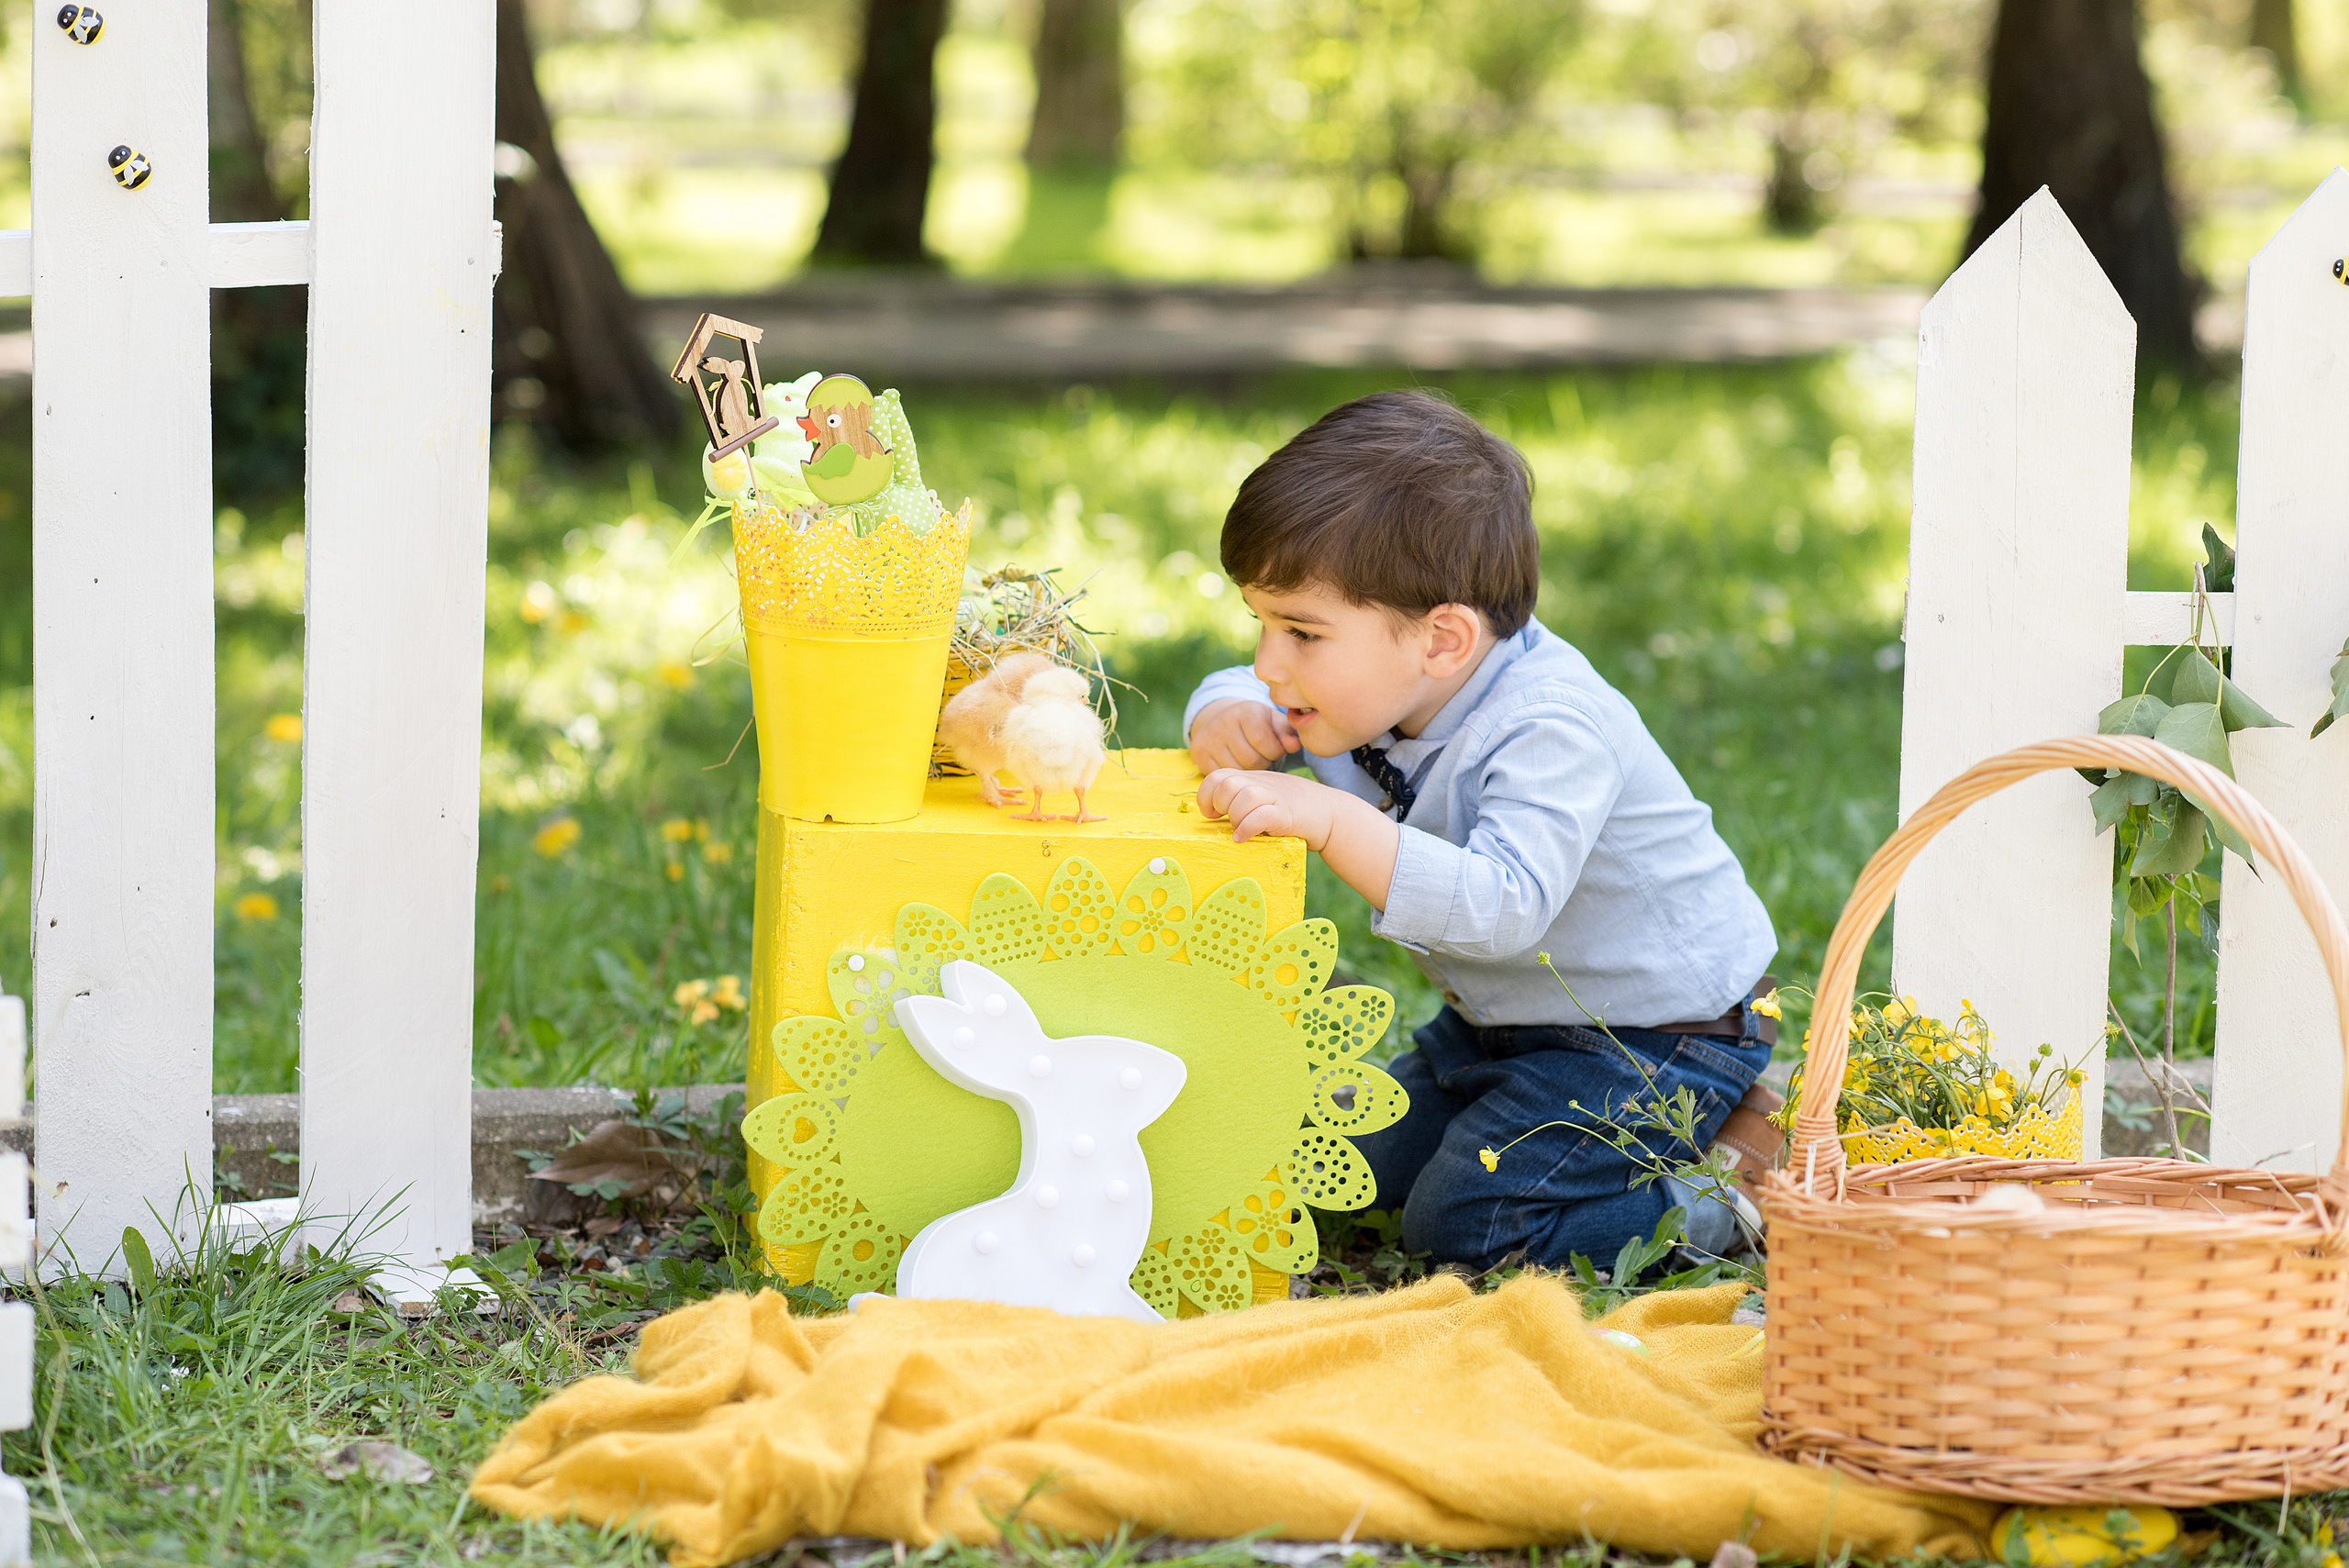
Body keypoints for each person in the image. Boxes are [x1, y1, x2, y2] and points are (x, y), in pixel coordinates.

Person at [1185, 389, 1777, 1272]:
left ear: (1444, 640)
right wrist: (1220, 710)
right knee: (1332, 1163)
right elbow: (1237, 683)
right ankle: (1599, 1143)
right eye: (1261, 625)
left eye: (1301, 632)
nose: (1272, 663)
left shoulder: (1553, 726)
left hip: (1657, 1036)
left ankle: (1726, 1189)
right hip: (1500, 1027)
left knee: (1469, 1225)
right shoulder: (1377, 679)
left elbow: (1504, 907)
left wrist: (1337, 821)